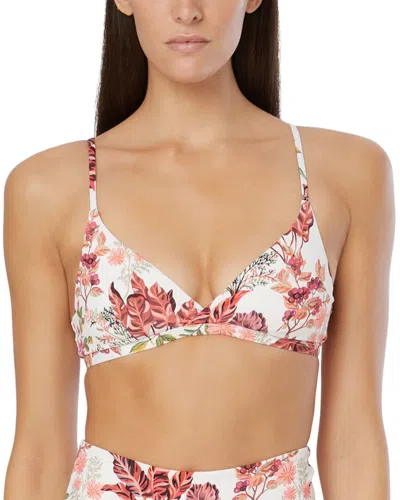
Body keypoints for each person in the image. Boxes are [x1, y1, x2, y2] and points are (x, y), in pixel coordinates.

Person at [3, 1, 394, 499]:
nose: (186, 11)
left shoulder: (348, 175)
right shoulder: (48, 190)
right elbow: (39, 450)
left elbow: (354, 440)